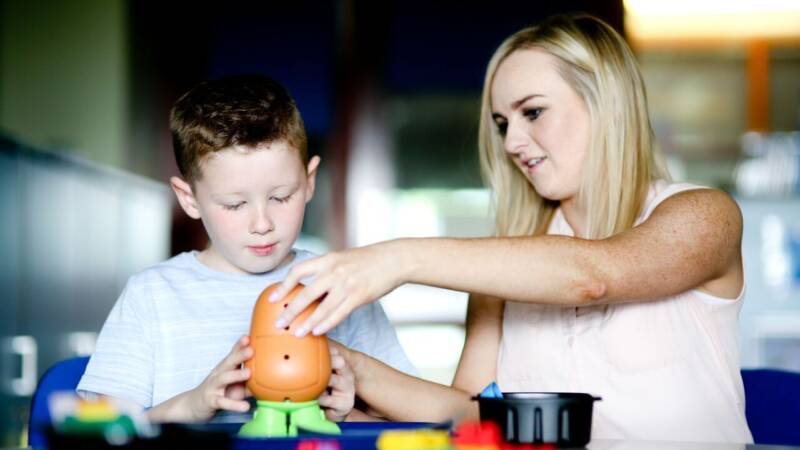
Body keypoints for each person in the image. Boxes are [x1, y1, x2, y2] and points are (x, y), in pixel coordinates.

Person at [268, 14, 753, 443]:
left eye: (533, 112)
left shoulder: (703, 215)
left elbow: (594, 275)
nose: (513, 143)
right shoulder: (506, 274)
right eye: (502, 124)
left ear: (605, 103)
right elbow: (472, 413)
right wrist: (349, 370)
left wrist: (397, 258)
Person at [77, 75, 415, 423]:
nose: (262, 223)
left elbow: (410, 429)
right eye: (235, 205)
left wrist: (348, 417)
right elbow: (99, 429)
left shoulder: (341, 287)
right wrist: (192, 405)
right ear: (189, 199)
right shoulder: (152, 295)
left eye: (281, 197)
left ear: (309, 181)